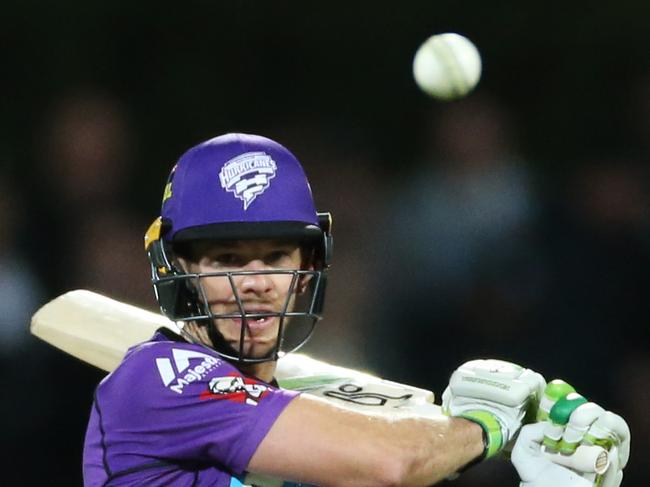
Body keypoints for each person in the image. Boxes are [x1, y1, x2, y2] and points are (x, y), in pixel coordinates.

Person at [82, 133, 629, 486]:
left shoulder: (317, 436)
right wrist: (488, 429)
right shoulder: (155, 381)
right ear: (178, 269)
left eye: (275, 257)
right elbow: (393, 464)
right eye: (227, 258)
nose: (255, 284)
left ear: (307, 270)